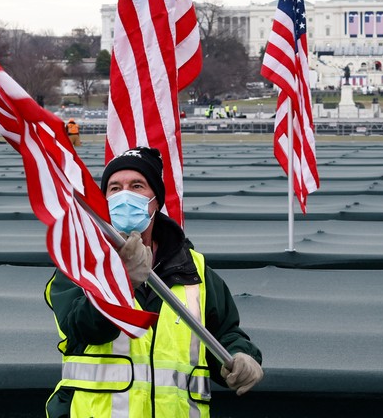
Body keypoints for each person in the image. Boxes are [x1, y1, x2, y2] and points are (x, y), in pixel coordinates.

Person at [44, 146, 263, 417]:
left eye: (137, 186)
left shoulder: (194, 269)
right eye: (114, 188)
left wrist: (243, 356)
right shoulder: (81, 265)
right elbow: (83, 328)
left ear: (156, 200)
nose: (124, 195)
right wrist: (123, 282)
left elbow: (224, 333)